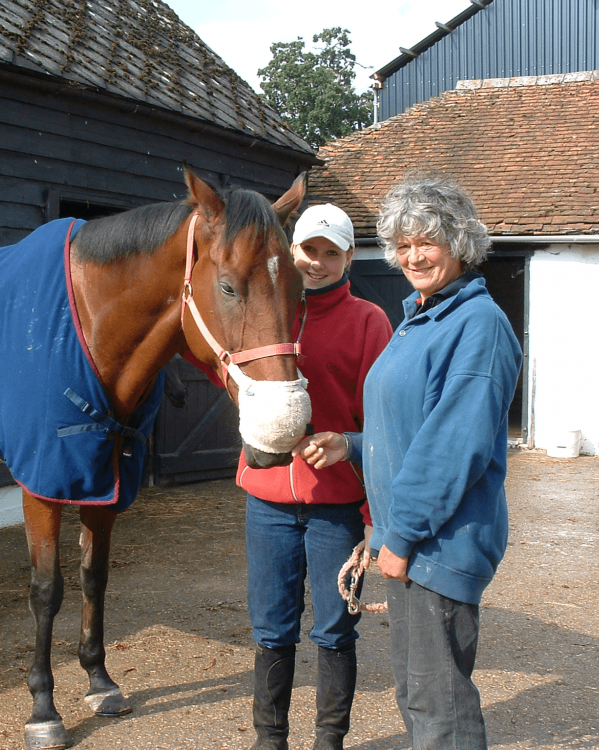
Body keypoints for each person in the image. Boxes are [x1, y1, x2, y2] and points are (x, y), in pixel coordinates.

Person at [297, 174, 522, 749]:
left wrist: (399, 539)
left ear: (460, 243)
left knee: (438, 708)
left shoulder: (477, 325)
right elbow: (409, 423)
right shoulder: (422, 317)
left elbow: (452, 446)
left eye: (427, 241)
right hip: (411, 540)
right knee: (420, 697)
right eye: (402, 244)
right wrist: (353, 442)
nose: (412, 255)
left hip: (437, 545)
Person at [237, 203, 392, 750]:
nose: (317, 263)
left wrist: (375, 519)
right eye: (309, 250)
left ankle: (330, 741)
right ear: (290, 251)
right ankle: (269, 740)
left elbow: (381, 425)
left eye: (331, 253)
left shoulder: (370, 322)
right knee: (271, 629)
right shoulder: (263, 308)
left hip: (335, 503)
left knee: (333, 628)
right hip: (270, 500)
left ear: (350, 258)